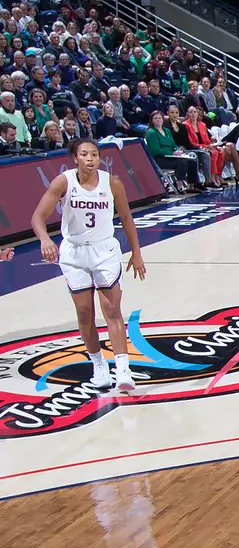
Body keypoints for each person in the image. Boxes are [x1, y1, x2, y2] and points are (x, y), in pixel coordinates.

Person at [29, 137, 147, 394]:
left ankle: (123, 370)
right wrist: (45, 239)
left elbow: (126, 218)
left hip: (104, 250)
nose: (91, 159)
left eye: (94, 154)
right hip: (74, 252)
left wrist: (136, 253)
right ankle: (99, 368)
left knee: (112, 310)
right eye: (85, 154)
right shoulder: (64, 181)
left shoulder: (112, 182)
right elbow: (37, 217)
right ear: (75, 158)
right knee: (84, 313)